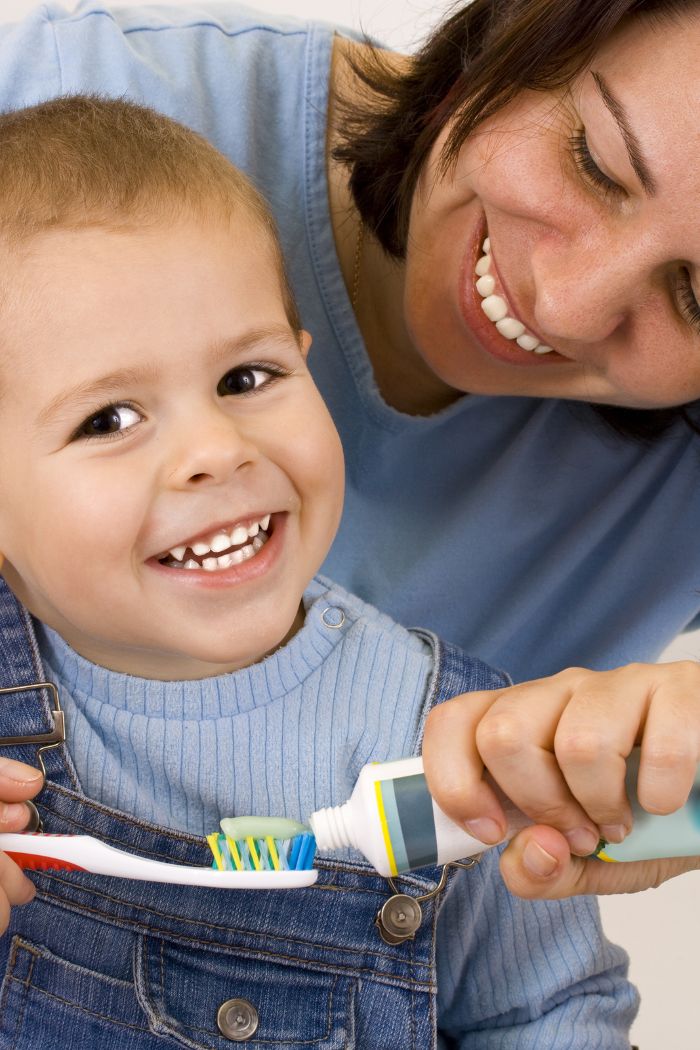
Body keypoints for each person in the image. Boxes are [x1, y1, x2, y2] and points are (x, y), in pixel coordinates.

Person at [0, 1, 698, 904]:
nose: (564, 305)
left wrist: (681, 788)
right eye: (594, 163)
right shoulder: (48, 93)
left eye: (694, 297)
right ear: (519, 28)